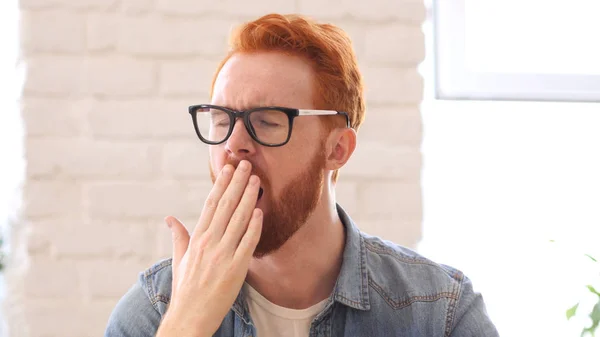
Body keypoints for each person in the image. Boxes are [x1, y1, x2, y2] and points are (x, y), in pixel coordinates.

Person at [104, 13, 499, 337]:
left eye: (267, 121)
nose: (234, 144)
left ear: (337, 149)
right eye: (222, 119)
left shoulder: (440, 314)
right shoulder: (155, 311)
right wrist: (186, 324)